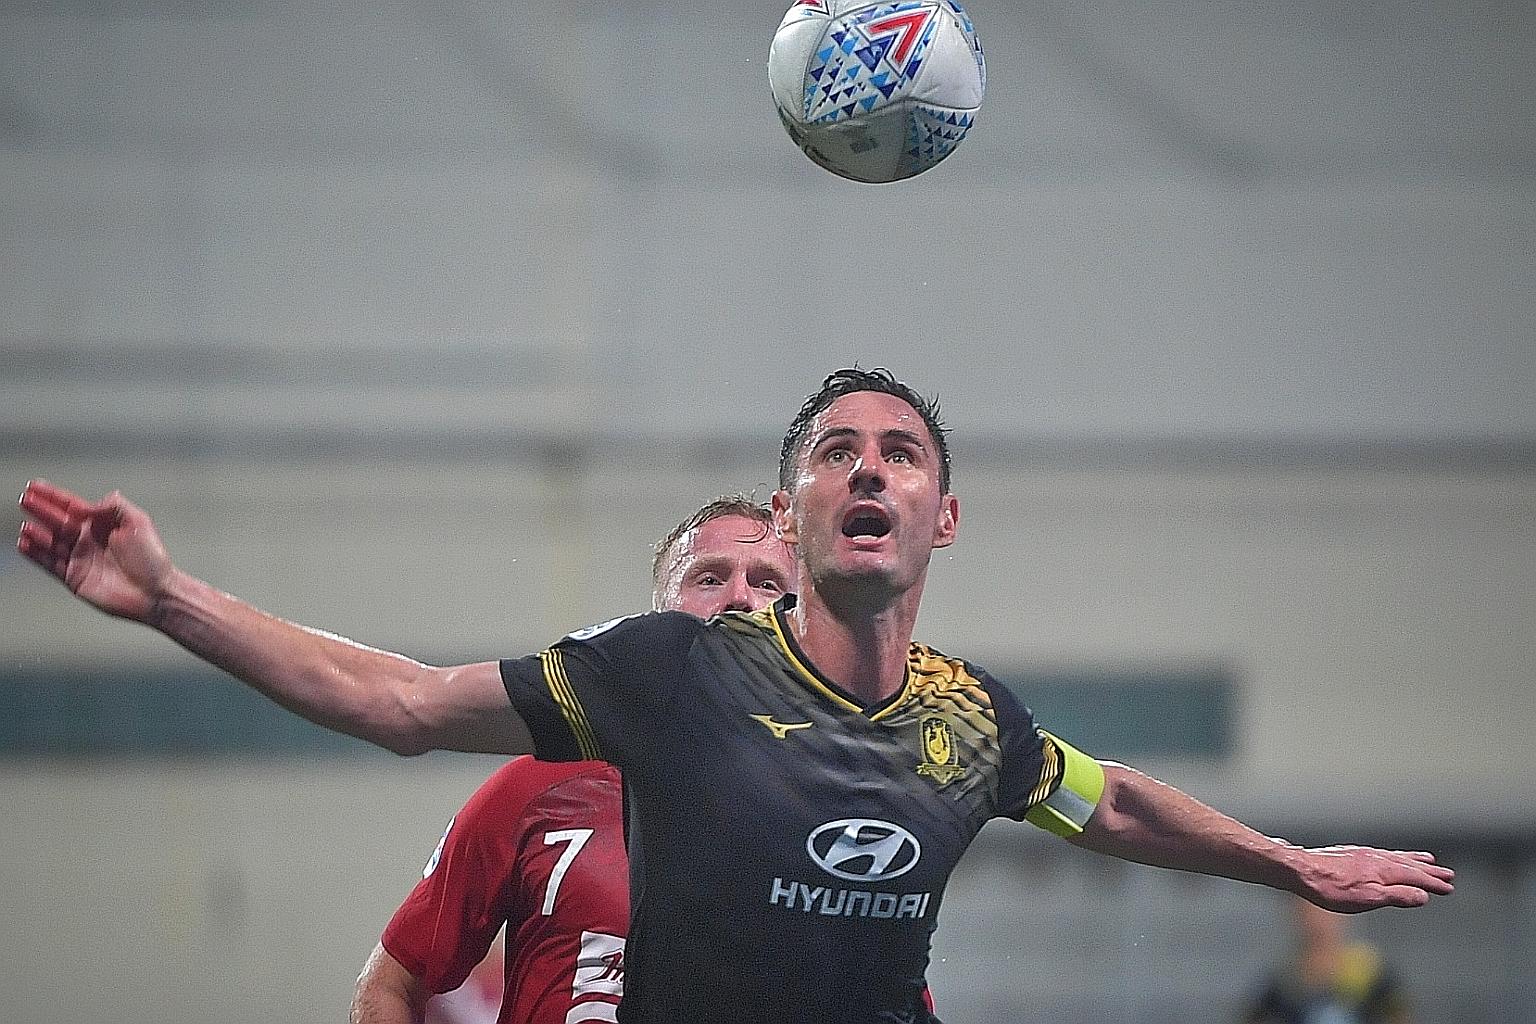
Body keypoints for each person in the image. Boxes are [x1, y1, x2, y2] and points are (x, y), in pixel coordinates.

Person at [17, 367, 1454, 1024]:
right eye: (839, 451)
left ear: (943, 518)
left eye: (902, 451)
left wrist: (1285, 860)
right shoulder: (669, 677)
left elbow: (1110, 798)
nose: (873, 467)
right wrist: (172, 600)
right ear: (798, 508)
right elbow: (399, 702)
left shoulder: (971, 725)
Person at [349, 497, 797, 1024]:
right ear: (657, 619)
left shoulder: (845, 814)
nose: (739, 598)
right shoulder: (538, 785)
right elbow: (391, 983)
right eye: (709, 578)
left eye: (767, 583)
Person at [1240, 895, 1413, 1024]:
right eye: (1308, 910)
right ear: (1295, 916)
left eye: (1325, 911)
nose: (1317, 920)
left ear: (1343, 915)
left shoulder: (1371, 972)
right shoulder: (1281, 982)